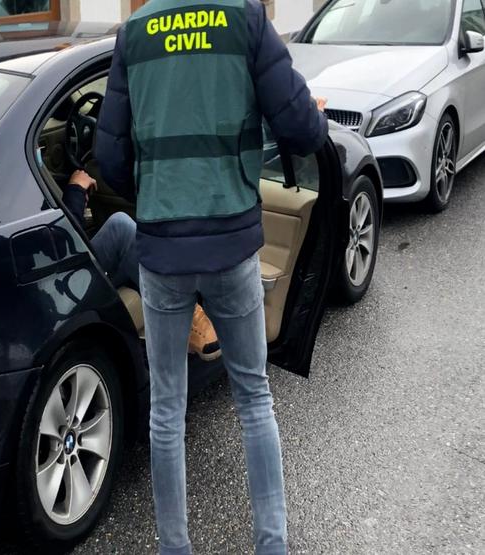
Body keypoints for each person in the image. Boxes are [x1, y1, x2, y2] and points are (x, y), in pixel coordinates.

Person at [95, 1, 329, 554]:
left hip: (161, 253)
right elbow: (299, 128)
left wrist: (157, 197)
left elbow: (108, 155)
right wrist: (315, 118)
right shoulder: (244, 17)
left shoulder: (135, 30)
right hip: (232, 245)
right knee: (253, 395)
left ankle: (174, 548)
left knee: (167, 411)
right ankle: (272, 545)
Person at [61, 168, 222, 361]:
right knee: (119, 227)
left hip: (69, 276)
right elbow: (60, 246)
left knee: (152, 238)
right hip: (56, 285)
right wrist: (75, 191)